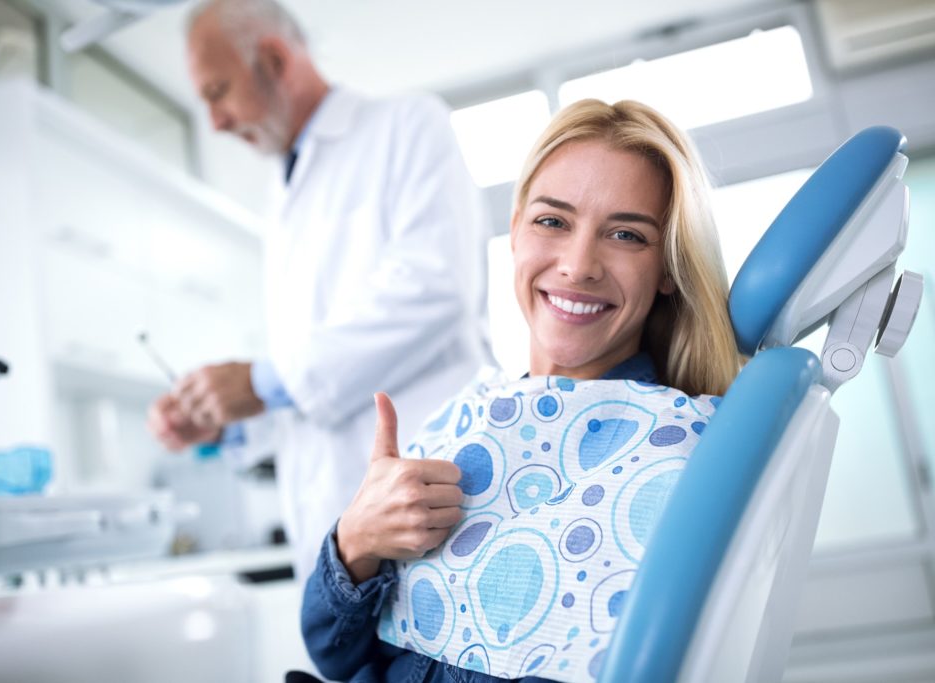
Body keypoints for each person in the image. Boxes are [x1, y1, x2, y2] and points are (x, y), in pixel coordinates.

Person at [298, 98, 742, 682]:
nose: (578, 265)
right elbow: (335, 656)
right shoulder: (460, 424)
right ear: (514, 233)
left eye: (627, 235)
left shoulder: (677, 454)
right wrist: (355, 542)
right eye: (552, 221)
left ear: (666, 267)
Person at [146, 0, 492, 580]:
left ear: (275, 60)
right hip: (337, 535)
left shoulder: (406, 126)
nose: (216, 122)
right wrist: (227, 416)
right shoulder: (282, 197)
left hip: (427, 511)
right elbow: (313, 381)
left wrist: (258, 382)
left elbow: (435, 288)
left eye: (217, 91)